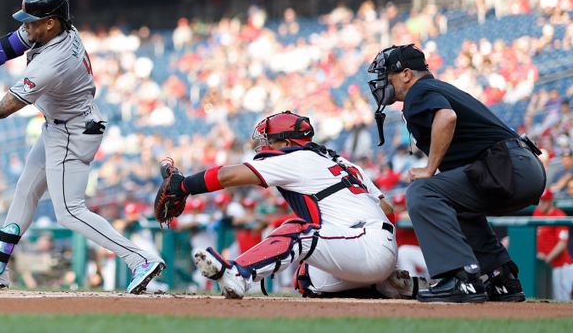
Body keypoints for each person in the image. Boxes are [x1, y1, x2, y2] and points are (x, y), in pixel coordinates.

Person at [0, 0, 165, 293]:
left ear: (50, 22)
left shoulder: (52, 61)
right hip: (61, 125)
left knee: (69, 211)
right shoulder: (52, 30)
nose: (25, 27)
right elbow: (5, 47)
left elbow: (2, 109)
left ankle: (140, 259)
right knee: (25, 190)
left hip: (72, 131)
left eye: (30, 21)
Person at [159, 110, 418, 300]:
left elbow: (228, 175)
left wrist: (184, 186)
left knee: (299, 230)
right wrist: (387, 265)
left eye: (270, 140)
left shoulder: (298, 158)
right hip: (368, 244)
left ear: (286, 142)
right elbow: (387, 210)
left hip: (364, 244)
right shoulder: (345, 164)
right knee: (307, 279)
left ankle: (239, 274)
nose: (266, 146)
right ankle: (384, 286)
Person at [368, 44, 546, 303]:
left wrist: (429, 169)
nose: (382, 82)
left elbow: (447, 117)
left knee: (422, 191)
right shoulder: (435, 88)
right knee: (452, 201)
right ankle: (500, 278)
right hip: (518, 166)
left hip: (508, 166)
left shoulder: (419, 91)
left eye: (387, 75)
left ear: (406, 74)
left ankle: (461, 277)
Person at [533, 189, 573, 300]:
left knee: (562, 299)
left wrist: (546, 260)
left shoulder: (559, 216)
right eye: (540, 201)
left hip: (560, 267)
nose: (541, 204)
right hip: (546, 267)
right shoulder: (537, 212)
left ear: (550, 201)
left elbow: (562, 244)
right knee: (546, 298)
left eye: (544, 201)